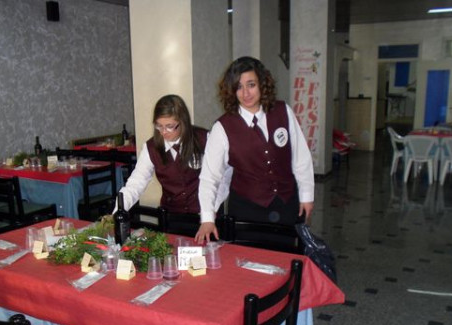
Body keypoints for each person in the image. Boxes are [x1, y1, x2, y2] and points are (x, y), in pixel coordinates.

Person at [195, 56, 315, 243]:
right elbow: (210, 177)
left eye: (251, 84)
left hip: (286, 205)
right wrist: (208, 219)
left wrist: (306, 195)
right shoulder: (222, 127)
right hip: (247, 211)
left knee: (284, 256)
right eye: (239, 87)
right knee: (249, 258)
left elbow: (301, 158)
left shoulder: (283, 112)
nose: (246, 93)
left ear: (262, 84)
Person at [117, 94, 208, 214]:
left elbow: (219, 177)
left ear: (183, 122)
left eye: (170, 126)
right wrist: (117, 211)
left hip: (205, 212)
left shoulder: (204, 138)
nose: (164, 132)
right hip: (171, 214)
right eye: (159, 126)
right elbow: (136, 183)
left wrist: (210, 210)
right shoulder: (151, 148)